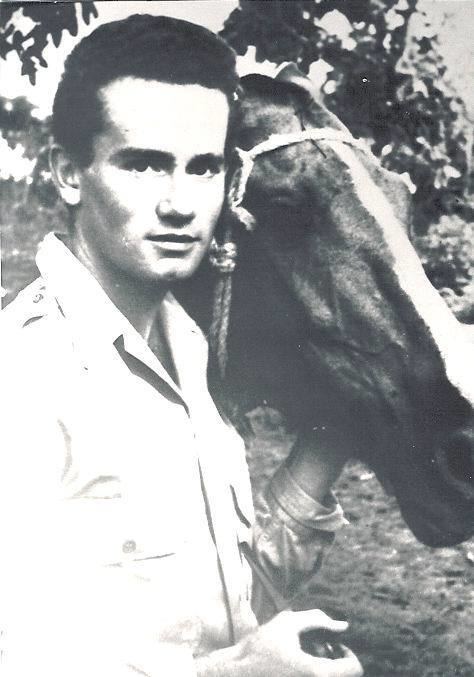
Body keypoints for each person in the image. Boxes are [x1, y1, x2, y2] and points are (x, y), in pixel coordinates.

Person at [0, 14, 362, 677]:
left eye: (204, 168)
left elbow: (222, 597)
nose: (180, 203)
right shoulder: (23, 379)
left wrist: (326, 444)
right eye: (144, 164)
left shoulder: (188, 344)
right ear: (67, 174)